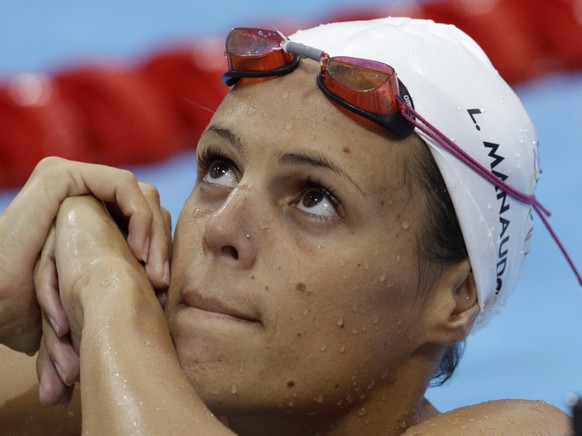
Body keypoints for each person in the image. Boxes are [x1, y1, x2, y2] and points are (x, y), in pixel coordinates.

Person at [0, 17, 574, 434]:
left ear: (457, 297)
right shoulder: (92, 380)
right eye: (220, 168)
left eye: (317, 199)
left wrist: (106, 289)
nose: (220, 228)